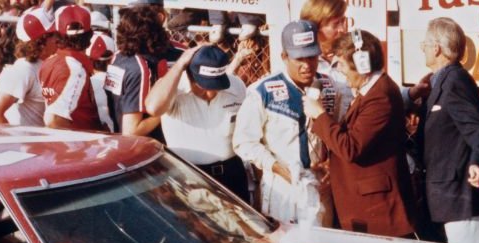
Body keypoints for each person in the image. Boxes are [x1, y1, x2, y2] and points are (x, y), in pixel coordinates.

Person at [304, 29, 415, 237]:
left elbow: (351, 147)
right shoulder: (370, 91)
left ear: (363, 65)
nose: (342, 73)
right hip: (366, 203)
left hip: (378, 209)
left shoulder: (380, 97)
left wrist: (319, 114)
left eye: (343, 66)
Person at [233, 19, 338, 226]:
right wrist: (277, 168)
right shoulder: (262, 91)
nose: (306, 65)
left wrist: (333, 164)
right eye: (299, 58)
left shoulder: (331, 85)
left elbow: (341, 129)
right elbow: (243, 143)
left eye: (311, 57)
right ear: (284, 56)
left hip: (321, 186)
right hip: (282, 188)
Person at [418, 17, 479, 243]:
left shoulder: (455, 81)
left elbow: (478, 130)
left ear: (437, 48)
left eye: (425, 44)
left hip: (462, 199)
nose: (423, 49)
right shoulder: (440, 82)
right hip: (447, 200)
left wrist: (478, 163)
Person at [145, 45, 249, 201]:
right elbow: (153, 108)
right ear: (190, 75)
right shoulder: (173, 88)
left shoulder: (235, 86)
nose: (211, 93)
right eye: (204, 86)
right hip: (191, 175)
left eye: (217, 86)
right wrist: (180, 64)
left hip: (232, 172)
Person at [105, 0, 183, 138]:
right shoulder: (136, 65)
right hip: (151, 148)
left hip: (124, 143)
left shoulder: (119, 56)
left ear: (161, 17)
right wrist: (167, 109)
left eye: (137, 15)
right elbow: (131, 130)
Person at [0, 6, 56, 126]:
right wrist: (16, 140)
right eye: (53, 34)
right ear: (41, 41)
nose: (57, 38)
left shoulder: (39, 65)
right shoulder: (24, 70)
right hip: (27, 143)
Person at [38, 4, 101, 131]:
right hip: (82, 145)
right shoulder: (75, 70)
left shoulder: (48, 62)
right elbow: (54, 120)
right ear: (89, 36)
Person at [299, 0, 353, 119]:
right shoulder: (300, 64)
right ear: (316, 28)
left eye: (343, 21)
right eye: (336, 24)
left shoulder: (353, 57)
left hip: (347, 136)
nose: (343, 29)